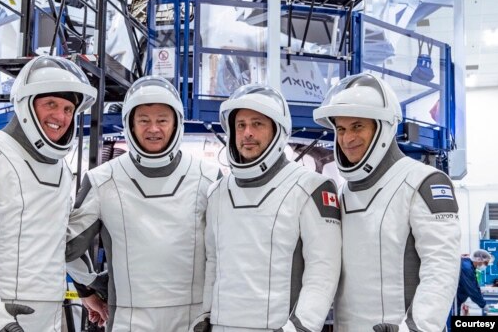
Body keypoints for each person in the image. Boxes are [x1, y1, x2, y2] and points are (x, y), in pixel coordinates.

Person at [0, 55, 97, 332]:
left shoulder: (62, 170)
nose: (60, 117)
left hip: (46, 315)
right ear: (26, 104)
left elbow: (58, 241)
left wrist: (88, 289)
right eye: (51, 104)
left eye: (68, 109)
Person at [65, 76, 221, 331]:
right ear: (130, 124)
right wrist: (86, 289)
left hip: (195, 322)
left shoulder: (209, 178)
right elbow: (67, 247)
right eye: (144, 121)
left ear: (176, 123)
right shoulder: (103, 180)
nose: (153, 129)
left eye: (162, 120)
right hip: (130, 321)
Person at [313, 73, 461, 332]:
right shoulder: (342, 192)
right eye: (341, 129)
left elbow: (441, 267)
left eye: (357, 126)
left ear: (383, 127)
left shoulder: (423, 181)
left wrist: (416, 328)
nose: (347, 139)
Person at [193, 84, 342, 332]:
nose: (247, 133)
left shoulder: (311, 187)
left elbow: (323, 271)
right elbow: (213, 263)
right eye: (240, 125)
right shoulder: (218, 192)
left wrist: (301, 326)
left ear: (277, 130)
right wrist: (205, 314)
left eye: (257, 124)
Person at [457, 250, 491, 315]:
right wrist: (483, 305)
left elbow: (475, 284)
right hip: (453, 300)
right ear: (479, 259)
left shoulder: (470, 266)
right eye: (485, 263)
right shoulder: (467, 268)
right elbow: (472, 289)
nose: (485, 266)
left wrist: (479, 293)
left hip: (458, 300)